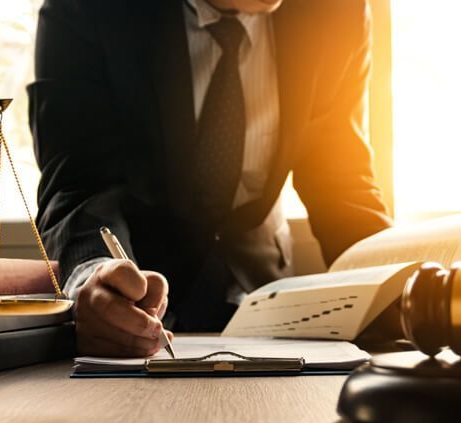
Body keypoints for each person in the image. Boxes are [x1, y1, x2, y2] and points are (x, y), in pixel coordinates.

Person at [28, 0, 392, 357]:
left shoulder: (337, 11)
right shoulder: (84, 9)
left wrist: (397, 284)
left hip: (269, 302)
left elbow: (341, 184)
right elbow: (78, 184)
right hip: (144, 310)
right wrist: (94, 277)